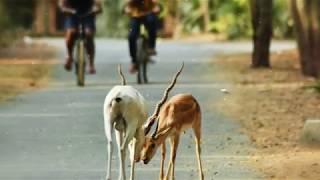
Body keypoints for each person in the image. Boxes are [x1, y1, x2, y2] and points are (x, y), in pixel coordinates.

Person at [59, 0, 102, 74]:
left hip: (88, 15)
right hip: (72, 15)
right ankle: (69, 57)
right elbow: (62, 4)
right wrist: (65, 9)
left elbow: (97, 4)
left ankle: (91, 63)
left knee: (88, 34)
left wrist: (96, 8)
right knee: (71, 32)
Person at [124, 0, 161, 73]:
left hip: (148, 13)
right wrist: (127, 10)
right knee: (131, 36)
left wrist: (156, 8)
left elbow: (155, 4)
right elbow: (127, 5)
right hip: (136, 15)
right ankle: (134, 61)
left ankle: (151, 46)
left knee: (152, 22)